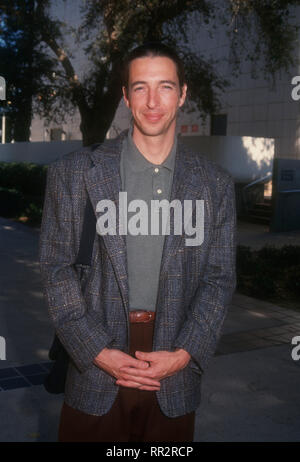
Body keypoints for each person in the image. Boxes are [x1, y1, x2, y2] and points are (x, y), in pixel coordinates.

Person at [39, 42, 236, 442]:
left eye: (165, 86)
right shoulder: (75, 173)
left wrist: (185, 352)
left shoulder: (215, 184)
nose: (152, 101)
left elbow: (219, 278)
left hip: (174, 362)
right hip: (96, 356)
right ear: (126, 96)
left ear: (182, 94)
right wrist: (95, 349)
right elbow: (56, 268)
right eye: (140, 87)